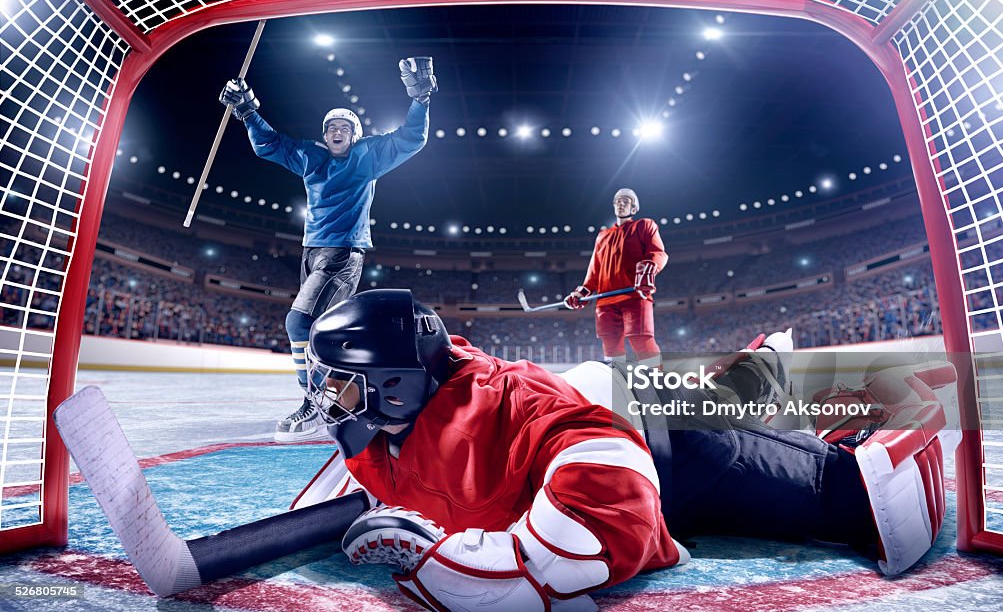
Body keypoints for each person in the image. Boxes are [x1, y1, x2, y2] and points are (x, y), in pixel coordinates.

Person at [60, 289, 957, 606]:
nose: (326, 401)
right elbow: (341, 498)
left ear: (394, 385)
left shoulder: (496, 402)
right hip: (645, 402)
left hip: (675, 448)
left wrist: (525, 561)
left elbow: (611, 477)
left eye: (339, 382)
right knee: (757, 384)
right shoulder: (390, 434)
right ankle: (773, 373)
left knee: (871, 505)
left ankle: (825, 416)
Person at [218, 58, 437, 442]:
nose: (338, 132)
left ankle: (314, 403)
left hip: (342, 254)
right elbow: (269, 143)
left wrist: (420, 99)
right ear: (325, 135)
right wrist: (248, 109)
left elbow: (411, 139)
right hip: (312, 252)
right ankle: (340, 399)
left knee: (299, 323)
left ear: (355, 134)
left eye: (345, 128)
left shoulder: (367, 156)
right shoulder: (310, 157)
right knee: (324, 332)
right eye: (332, 127)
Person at [565, 188, 668, 369]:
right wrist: (581, 292)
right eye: (618, 201)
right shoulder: (602, 236)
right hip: (605, 302)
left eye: (626, 201)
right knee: (611, 349)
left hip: (635, 296)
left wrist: (651, 267)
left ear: (634, 209)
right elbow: (594, 272)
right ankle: (618, 388)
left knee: (641, 341)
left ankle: (660, 385)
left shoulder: (645, 225)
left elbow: (659, 253)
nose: (621, 203)